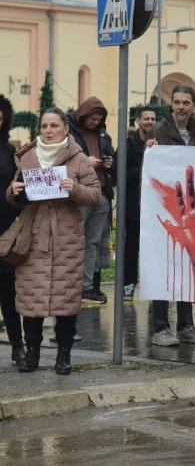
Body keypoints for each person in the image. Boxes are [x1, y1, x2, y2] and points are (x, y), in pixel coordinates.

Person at [7, 108, 101, 374]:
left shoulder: (78, 158)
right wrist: (13, 191)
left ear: (65, 129)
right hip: (33, 236)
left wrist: (76, 189)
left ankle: (63, 355)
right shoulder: (27, 157)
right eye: (45, 126)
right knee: (31, 299)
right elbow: (13, 191)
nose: (48, 130)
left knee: (65, 301)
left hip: (66, 237)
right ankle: (32, 354)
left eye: (54, 126)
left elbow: (95, 194)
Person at [148, 85, 195, 347]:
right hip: (163, 209)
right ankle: (160, 327)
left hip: (190, 210)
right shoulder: (158, 132)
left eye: (186, 102)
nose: (181, 107)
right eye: (177, 102)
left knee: (187, 267)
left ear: (193, 105)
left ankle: (185, 324)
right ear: (171, 104)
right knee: (163, 267)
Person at [67, 97, 115, 304]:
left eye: (99, 119)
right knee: (74, 240)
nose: (95, 122)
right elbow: (61, 159)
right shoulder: (69, 132)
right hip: (80, 193)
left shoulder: (104, 136)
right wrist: (84, 162)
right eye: (92, 118)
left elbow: (112, 159)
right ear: (83, 115)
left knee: (93, 243)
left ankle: (87, 287)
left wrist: (109, 162)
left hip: (101, 192)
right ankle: (70, 286)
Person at [123, 106, 157, 302]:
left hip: (156, 206)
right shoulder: (128, 143)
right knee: (131, 246)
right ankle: (128, 283)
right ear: (138, 121)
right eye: (146, 118)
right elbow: (121, 173)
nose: (150, 122)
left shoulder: (160, 142)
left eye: (153, 118)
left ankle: (154, 285)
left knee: (154, 247)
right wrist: (144, 166)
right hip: (134, 205)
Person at [0, 95, 21, 365]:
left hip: (4, 229)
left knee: (8, 292)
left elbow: (18, 181)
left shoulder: (7, 150)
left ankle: (18, 345)